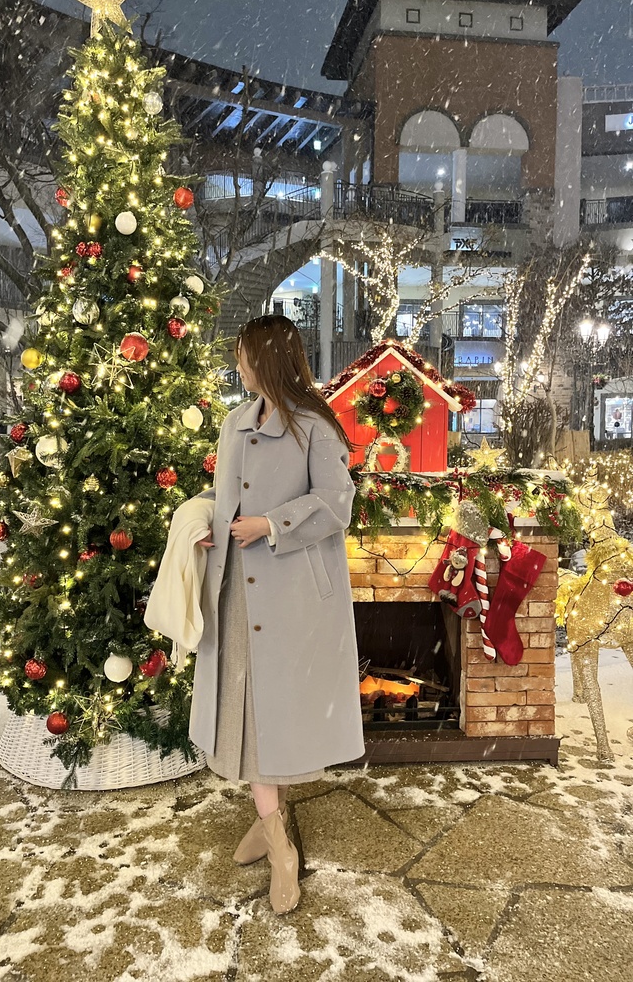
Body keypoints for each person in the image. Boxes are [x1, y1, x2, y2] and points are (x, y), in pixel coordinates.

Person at [189, 314, 365, 915]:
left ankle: (280, 847)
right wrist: (207, 525)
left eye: (245, 355)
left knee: (274, 716)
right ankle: (272, 826)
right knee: (251, 713)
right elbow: (227, 496)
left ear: (267, 359)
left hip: (292, 595)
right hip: (236, 587)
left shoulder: (314, 426)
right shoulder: (236, 421)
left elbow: (337, 503)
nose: (238, 365)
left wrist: (272, 524)